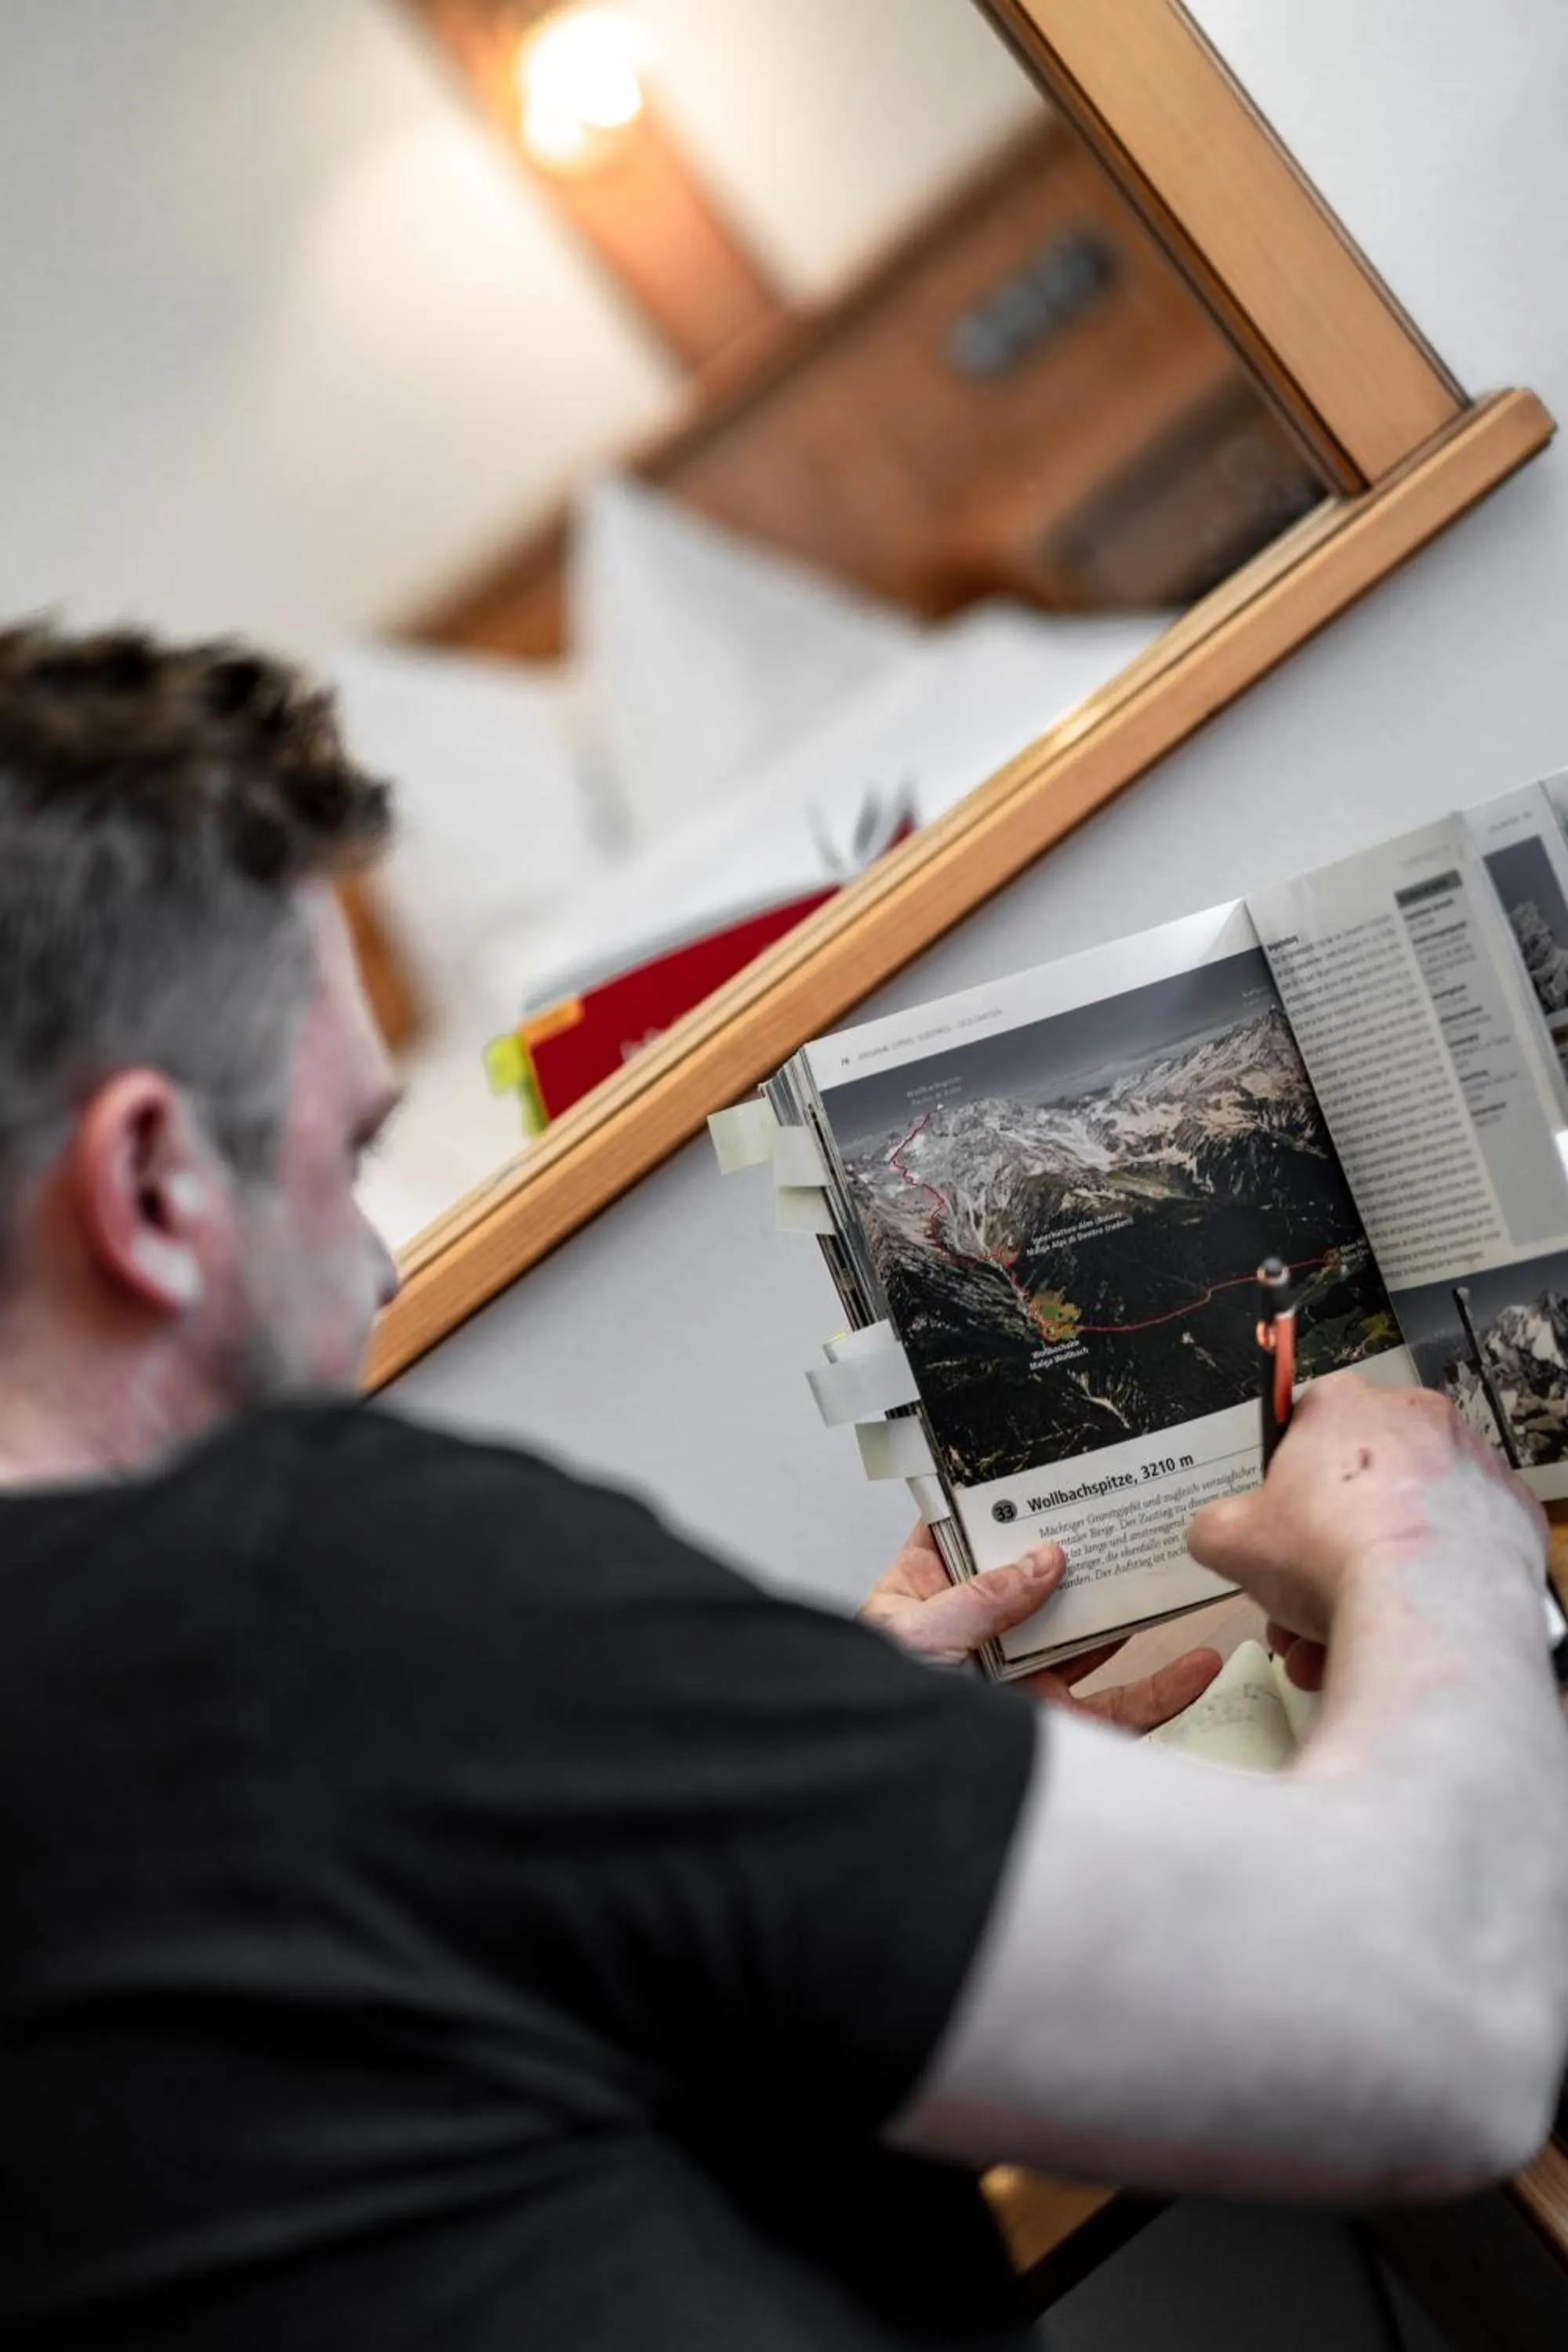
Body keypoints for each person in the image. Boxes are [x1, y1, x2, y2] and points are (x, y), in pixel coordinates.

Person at [0, 622, 1564, 2352]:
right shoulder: (326, 1605)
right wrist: (1433, 1536)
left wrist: (770, 1780)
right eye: (347, 1154)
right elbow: (1441, 2024)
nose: (374, 1270)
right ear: (149, 1185)